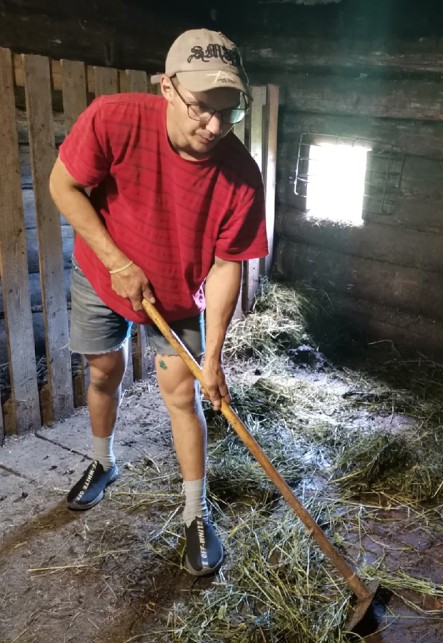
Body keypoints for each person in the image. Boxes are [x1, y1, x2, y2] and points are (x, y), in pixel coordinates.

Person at [49, 28, 268, 577]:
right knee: (104, 372)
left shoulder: (240, 175)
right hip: (104, 276)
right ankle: (103, 462)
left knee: (182, 392)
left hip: (177, 295)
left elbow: (225, 265)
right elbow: (62, 186)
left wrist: (213, 355)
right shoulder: (114, 119)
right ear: (167, 88)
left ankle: (196, 513)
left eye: (230, 112)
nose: (215, 127)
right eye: (202, 108)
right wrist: (119, 264)